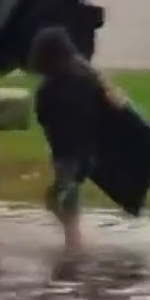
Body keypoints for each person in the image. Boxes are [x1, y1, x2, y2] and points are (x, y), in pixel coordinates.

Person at [27, 27, 116, 255]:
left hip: (65, 154)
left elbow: (43, 118)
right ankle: (76, 240)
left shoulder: (48, 90)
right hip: (88, 153)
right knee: (62, 196)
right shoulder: (88, 80)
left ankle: (75, 248)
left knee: (61, 201)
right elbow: (107, 108)